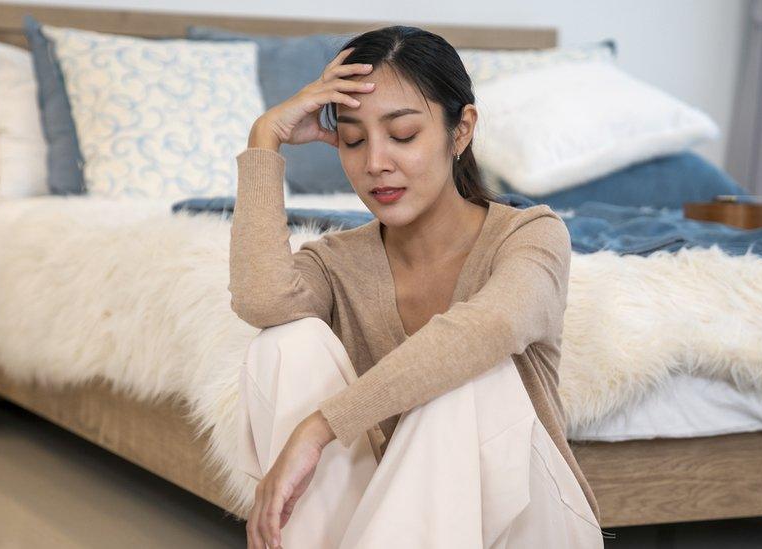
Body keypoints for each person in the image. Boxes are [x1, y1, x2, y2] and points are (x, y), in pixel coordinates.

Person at [229, 25, 605, 548]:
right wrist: (264, 139)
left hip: (526, 528)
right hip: (382, 525)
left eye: (402, 135)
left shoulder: (529, 237)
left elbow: (485, 329)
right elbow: (262, 300)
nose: (375, 162)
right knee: (284, 344)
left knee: (462, 376)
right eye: (354, 139)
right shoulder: (339, 261)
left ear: (461, 130)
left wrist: (320, 427)